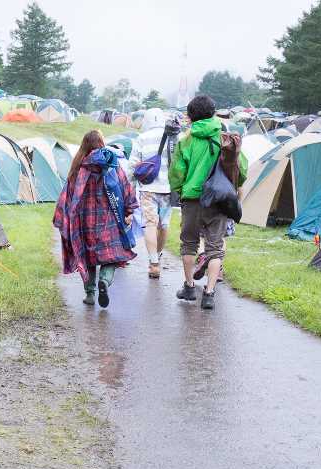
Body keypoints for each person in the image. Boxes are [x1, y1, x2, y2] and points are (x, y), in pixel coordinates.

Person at [169, 95, 248, 310]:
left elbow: (177, 172)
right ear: (213, 113)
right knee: (215, 247)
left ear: (191, 116)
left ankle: (188, 286)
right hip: (219, 199)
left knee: (189, 243)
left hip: (193, 198)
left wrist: (181, 191)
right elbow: (242, 172)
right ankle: (210, 293)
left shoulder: (186, 140)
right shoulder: (226, 138)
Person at [53, 130, 137, 308]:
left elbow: (67, 196)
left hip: (85, 222)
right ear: (101, 143)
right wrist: (130, 210)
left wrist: (62, 218)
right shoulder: (111, 164)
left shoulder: (78, 167)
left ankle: (90, 294)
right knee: (112, 256)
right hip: (109, 220)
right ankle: (104, 281)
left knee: (88, 257)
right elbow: (125, 187)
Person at [127, 108, 180, 279]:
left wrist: (130, 187)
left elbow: (133, 167)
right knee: (163, 225)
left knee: (150, 225)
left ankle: (154, 263)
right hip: (168, 190)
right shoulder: (174, 137)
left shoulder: (141, 138)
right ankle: (159, 255)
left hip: (148, 189)